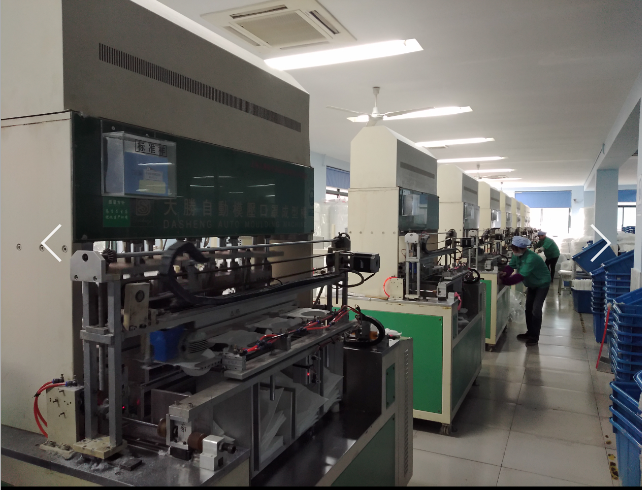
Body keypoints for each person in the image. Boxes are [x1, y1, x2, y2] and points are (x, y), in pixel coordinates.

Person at [500, 236, 551, 346]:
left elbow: (520, 276)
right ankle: (530, 332)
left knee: (536, 310)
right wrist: (505, 273)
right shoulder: (517, 255)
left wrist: (504, 281)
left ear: (522, 248)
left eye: (515, 250)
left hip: (541, 284)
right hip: (531, 284)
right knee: (528, 309)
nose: (514, 251)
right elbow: (511, 266)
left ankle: (534, 337)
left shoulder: (531, 258)